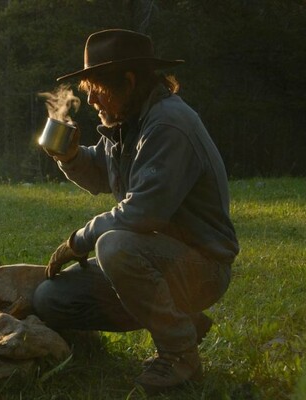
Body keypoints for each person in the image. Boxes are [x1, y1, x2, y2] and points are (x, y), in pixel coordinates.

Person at [33, 29, 239, 395]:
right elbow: (102, 169)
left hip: (200, 268)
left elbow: (143, 212)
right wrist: (72, 157)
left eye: (96, 87)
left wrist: (78, 241)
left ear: (127, 81)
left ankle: (180, 355)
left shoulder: (169, 124)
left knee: (114, 246)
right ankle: (181, 321)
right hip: (154, 262)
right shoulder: (128, 122)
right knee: (51, 299)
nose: (90, 98)